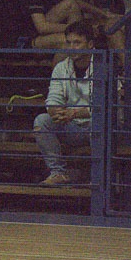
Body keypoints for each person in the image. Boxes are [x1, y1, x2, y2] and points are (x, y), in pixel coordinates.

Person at [33, 21, 96, 185]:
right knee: (42, 121)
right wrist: (57, 112)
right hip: (72, 125)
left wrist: (73, 113)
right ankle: (58, 173)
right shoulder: (61, 67)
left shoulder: (104, 65)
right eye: (69, 43)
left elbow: (104, 107)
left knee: (101, 122)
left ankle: (98, 176)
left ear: (90, 44)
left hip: (97, 126)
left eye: (77, 43)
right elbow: (53, 99)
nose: (71, 47)